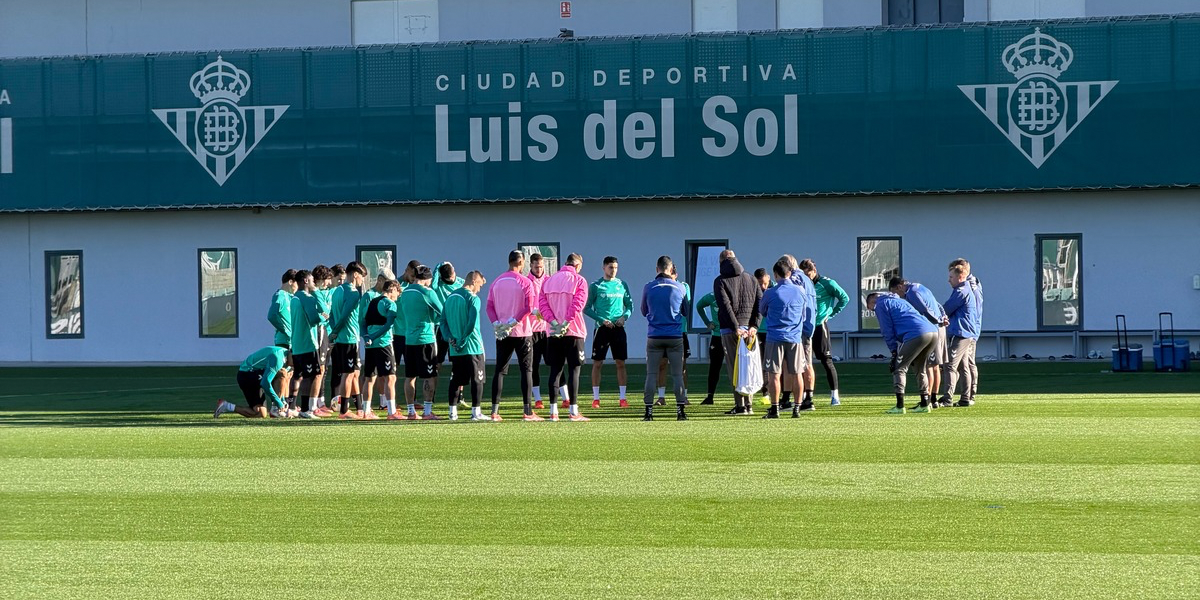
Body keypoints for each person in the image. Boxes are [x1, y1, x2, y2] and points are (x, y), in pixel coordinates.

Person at [488, 250, 542, 421]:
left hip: (502, 333)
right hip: (522, 332)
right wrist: (514, 321)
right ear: (521, 262)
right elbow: (529, 307)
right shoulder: (525, 282)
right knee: (526, 370)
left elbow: (489, 306)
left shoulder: (497, 281)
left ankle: (494, 411)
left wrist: (497, 323)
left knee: (500, 370)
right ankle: (528, 411)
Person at [867, 291, 938, 414]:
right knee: (920, 368)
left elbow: (887, 330)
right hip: (932, 332)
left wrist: (894, 352)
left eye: (871, 309)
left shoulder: (881, 304)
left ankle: (900, 406)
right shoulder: (899, 300)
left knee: (899, 368)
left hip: (917, 334)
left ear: (872, 302)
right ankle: (925, 404)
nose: (873, 311)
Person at [539, 253, 590, 422]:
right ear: (578, 266)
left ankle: (553, 411)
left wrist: (554, 323)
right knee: (574, 370)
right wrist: (566, 322)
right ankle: (573, 411)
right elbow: (578, 304)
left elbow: (542, 305)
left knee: (555, 370)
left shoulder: (548, 281)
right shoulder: (579, 280)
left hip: (553, 332)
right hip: (573, 331)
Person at [712, 249, 762, 415]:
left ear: (721, 262)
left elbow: (725, 306)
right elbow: (760, 303)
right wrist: (755, 325)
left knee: (734, 367)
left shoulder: (720, 281)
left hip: (731, 329)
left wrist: (735, 327)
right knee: (749, 366)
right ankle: (749, 404)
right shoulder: (751, 278)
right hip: (750, 329)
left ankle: (740, 405)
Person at [758, 258, 808, 419]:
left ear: (775, 275)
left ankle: (775, 409)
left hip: (774, 337)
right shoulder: (800, 291)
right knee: (797, 373)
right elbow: (804, 315)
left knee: (774, 374)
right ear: (790, 273)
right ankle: (797, 408)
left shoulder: (770, 293)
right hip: (795, 337)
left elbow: (762, 311)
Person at [641, 256, 689, 421]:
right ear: (671, 269)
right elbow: (685, 311)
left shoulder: (648, 287)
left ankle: (648, 412)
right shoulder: (680, 287)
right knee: (677, 375)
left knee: (651, 374)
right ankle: (680, 412)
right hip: (674, 336)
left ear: (657, 269)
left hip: (654, 335)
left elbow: (643, 310)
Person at [890, 277, 947, 409]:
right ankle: (933, 400)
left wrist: (938, 320)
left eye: (895, 293)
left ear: (899, 287)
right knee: (935, 365)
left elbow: (924, 310)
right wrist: (943, 317)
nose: (898, 297)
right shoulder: (920, 287)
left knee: (928, 365)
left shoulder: (912, 293)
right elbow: (937, 304)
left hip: (932, 327)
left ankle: (927, 401)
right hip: (938, 327)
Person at [584, 256, 633, 408]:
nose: (614, 270)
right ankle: (596, 399)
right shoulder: (596, 286)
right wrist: (601, 319)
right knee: (598, 363)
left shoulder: (622, 284)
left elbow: (629, 306)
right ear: (604, 267)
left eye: (616, 268)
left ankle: (623, 398)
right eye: (611, 267)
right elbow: (586, 308)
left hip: (618, 328)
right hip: (602, 329)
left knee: (620, 362)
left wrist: (624, 317)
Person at [799, 259, 849, 406]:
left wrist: (830, 314)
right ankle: (804, 395)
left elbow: (844, 298)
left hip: (819, 326)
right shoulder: (801, 284)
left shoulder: (827, 283)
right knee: (803, 362)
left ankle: (835, 395)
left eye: (808, 274)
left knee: (826, 360)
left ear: (814, 271)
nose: (806, 277)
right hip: (804, 327)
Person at [442, 271, 491, 421]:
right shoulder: (473, 298)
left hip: (455, 348)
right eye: (480, 285)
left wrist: (449, 338)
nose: (479, 289)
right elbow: (472, 323)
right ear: (474, 281)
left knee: (456, 379)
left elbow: (442, 322)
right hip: (472, 346)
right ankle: (476, 412)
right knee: (478, 379)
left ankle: (452, 413)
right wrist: (463, 340)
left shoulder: (450, 297)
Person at [401, 264, 445, 420]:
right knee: (429, 376)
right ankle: (427, 411)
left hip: (409, 339)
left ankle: (411, 412)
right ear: (426, 279)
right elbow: (442, 311)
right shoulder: (427, 292)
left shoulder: (405, 292)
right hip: (425, 339)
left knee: (410, 376)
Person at [329, 262, 368, 419]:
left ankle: (359, 408)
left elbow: (331, 315)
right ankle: (344, 410)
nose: (362, 281)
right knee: (348, 374)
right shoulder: (353, 293)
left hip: (343, 339)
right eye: (362, 277)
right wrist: (335, 333)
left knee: (354, 373)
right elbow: (344, 316)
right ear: (356, 274)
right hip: (349, 338)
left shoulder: (337, 290)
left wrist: (334, 332)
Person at [939, 261, 981, 407]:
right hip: (967, 332)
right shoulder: (967, 288)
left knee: (950, 365)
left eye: (951, 277)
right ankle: (965, 398)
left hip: (962, 332)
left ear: (961, 276)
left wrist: (933, 312)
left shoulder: (961, 291)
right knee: (964, 366)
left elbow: (946, 309)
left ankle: (947, 399)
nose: (948, 280)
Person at [526, 253, 565, 409]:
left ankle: (565, 397)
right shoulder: (527, 282)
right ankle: (537, 399)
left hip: (548, 330)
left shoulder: (549, 281)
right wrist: (534, 311)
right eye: (536, 267)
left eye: (541, 266)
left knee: (556, 362)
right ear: (531, 265)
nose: (539, 269)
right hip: (532, 331)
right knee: (533, 365)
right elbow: (523, 305)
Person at [290, 269, 329, 419]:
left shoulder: (294, 298)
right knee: (312, 376)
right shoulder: (307, 298)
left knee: (300, 376)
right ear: (306, 281)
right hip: (308, 343)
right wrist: (323, 316)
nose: (314, 284)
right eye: (312, 281)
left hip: (297, 344)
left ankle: (297, 407)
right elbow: (317, 317)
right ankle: (307, 409)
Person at [213, 346, 292, 419]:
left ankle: (226, 406)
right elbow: (265, 383)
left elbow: (281, 383)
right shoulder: (278, 358)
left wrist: (282, 400)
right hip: (247, 374)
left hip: (256, 374)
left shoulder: (287, 358)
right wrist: (279, 402)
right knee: (282, 373)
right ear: (292, 354)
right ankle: (276, 409)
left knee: (261, 413)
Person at [361, 279, 401, 420]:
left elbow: (362, 322)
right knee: (391, 377)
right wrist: (373, 336)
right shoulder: (390, 304)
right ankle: (391, 412)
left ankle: (366, 412)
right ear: (393, 289)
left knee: (369, 378)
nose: (398, 296)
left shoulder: (372, 302)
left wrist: (366, 337)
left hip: (370, 346)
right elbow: (388, 325)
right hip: (383, 344)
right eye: (398, 293)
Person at [654, 263, 690, 405]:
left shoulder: (683, 286)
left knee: (682, 365)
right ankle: (661, 397)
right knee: (662, 364)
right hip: (663, 332)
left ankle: (683, 396)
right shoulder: (659, 286)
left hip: (680, 331)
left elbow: (686, 307)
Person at [951, 258, 984, 404]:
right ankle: (968, 394)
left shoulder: (968, 286)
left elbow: (974, 309)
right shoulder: (973, 283)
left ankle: (970, 395)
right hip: (971, 328)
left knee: (968, 363)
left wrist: (972, 329)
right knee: (966, 363)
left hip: (969, 329)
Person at [309, 265, 335, 416]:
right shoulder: (313, 293)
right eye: (327, 279)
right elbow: (322, 312)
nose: (329, 283)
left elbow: (327, 312)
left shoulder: (324, 292)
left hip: (324, 331)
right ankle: (312, 406)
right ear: (319, 279)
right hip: (317, 332)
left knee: (323, 369)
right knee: (318, 369)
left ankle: (318, 403)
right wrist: (321, 316)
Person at [694, 292, 725, 405]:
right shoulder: (712, 297)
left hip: (731, 336)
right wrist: (707, 322)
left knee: (735, 367)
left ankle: (740, 399)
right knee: (714, 367)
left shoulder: (733, 294)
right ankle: (710, 396)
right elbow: (699, 306)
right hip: (717, 337)